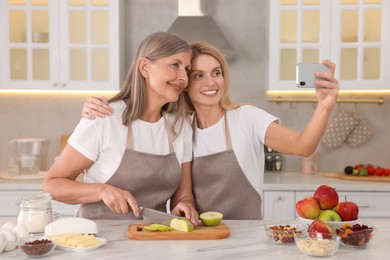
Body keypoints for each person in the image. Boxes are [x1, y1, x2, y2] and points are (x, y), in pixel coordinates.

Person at [81, 41, 340, 219]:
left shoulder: (246, 118)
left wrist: (325, 106)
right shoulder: (178, 129)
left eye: (216, 73)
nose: (211, 82)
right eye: (198, 75)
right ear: (184, 82)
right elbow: (181, 194)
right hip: (198, 239)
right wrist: (99, 107)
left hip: (246, 239)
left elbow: (303, 146)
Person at [42, 32, 198, 224]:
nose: (183, 77)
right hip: (97, 240)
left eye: (187, 69)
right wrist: (102, 190)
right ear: (145, 67)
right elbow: (52, 185)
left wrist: (184, 205)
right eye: (175, 65)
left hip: (152, 237)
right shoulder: (104, 117)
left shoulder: (180, 127)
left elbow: (183, 196)